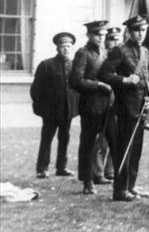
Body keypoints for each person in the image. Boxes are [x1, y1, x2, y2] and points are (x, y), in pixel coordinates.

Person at [99, 15, 149, 202]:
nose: (140, 34)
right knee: (124, 149)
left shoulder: (145, 51)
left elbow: (146, 76)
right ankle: (120, 190)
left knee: (136, 149)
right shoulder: (119, 51)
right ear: (129, 31)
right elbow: (104, 74)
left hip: (141, 107)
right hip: (124, 107)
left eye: (143, 30)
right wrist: (124, 80)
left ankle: (131, 185)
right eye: (137, 30)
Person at [30, 32, 80, 179]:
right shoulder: (46, 65)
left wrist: (75, 106)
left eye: (69, 46)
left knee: (64, 138)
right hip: (50, 111)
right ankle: (42, 168)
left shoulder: (74, 65)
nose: (66, 49)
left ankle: (61, 167)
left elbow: (77, 87)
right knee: (47, 138)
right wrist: (40, 107)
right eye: (63, 46)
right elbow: (36, 88)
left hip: (68, 110)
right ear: (57, 48)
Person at [71, 20, 112, 195]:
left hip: (107, 104)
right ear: (89, 35)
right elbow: (75, 80)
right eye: (97, 35)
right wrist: (99, 85)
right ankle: (87, 181)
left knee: (108, 141)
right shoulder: (83, 53)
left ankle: (101, 174)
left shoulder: (105, 52)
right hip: (90, 105)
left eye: (103, 35)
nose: (101, 38)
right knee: (88, 142)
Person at [91, 26, 123, 184]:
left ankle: (110, 170)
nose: (115, 42)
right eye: (111, 39)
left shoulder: (121, 55)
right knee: (101, 138)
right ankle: (97, 172)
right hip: (103, 101)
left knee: (116, 137)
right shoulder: (102, 57)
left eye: (117, 39)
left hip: (119, 101)